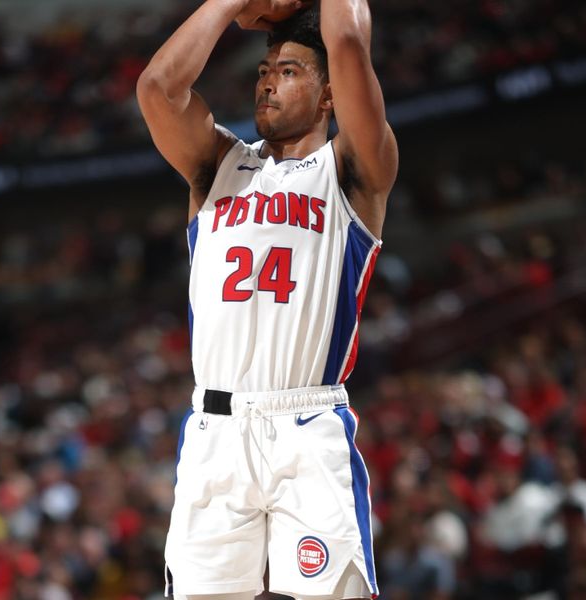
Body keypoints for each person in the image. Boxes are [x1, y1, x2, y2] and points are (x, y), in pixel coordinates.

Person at [136, 0, 398, 598]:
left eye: (289, 71)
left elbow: (350, 43)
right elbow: (157, 87)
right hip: (214, 430)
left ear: (329, 95)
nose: (268, 82)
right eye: (262, 72)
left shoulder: (352, 167)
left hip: (307, 424)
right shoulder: (216, 164)